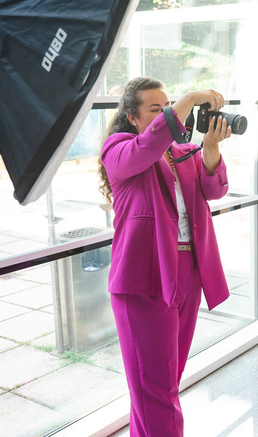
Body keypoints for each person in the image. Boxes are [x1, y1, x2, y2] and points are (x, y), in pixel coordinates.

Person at [98, 77, 232, 436]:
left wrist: (210, 149)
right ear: (132, 117)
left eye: (169, 105)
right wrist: (189, 98)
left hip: (185, 272)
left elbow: (213, 189)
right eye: (156, 109)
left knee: (161, 383)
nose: (169, 115)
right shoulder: (120, 150)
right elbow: (151, 143)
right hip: (144, 277)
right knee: (156, 389)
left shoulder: (178, 153)